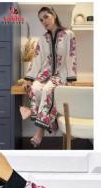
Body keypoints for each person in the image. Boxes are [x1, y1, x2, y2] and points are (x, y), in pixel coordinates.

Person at [21, 6, 77, 147]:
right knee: (35, 88)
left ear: (54, 15)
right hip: (45, 73)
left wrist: (71, 78)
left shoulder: (68, 34)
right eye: (41, 20)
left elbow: (72, 56)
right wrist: (29, 79)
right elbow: (37, 59)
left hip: (61, 74)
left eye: (46, 17)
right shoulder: (42, 38)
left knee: (47, 90)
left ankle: (40, 131)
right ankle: (50, 122)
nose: (44, 21)